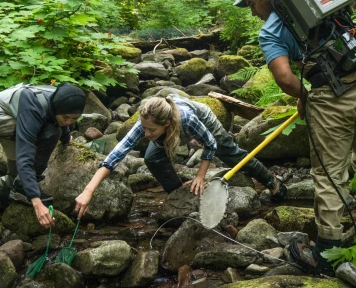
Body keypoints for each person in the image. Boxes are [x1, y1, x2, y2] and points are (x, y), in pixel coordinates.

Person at [235, 0, 356, 275]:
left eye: (252, 4)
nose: (253, 13)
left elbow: (285, 79)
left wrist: (305, 96)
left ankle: (327, 252)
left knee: (328, 172)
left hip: (334, 96)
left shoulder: (272, 30)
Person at [74, 93, 284, 218]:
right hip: (171, 127)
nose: (145, 134)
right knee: (152, 157)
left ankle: (271, 182)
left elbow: (209, 144)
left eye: (151, 131)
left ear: (165, 125)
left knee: (230, 154)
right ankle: (179, 196)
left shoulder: (187, 119)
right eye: (144, 129)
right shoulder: (147, 122)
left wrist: (200, 176)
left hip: (203, 119)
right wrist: (88, 191)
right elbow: (116, 154)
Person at [0, 81, 86, 228]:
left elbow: (59, 120)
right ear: (57, 108)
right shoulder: (34, 107)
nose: (68, 121)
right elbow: (26, 155)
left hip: (14, 114)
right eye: (66, 117)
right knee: (50, 133)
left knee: (15, 177)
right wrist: (36, 201)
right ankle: (22, 189)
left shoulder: (63, 101)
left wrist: (66, 138)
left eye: (74, 119)